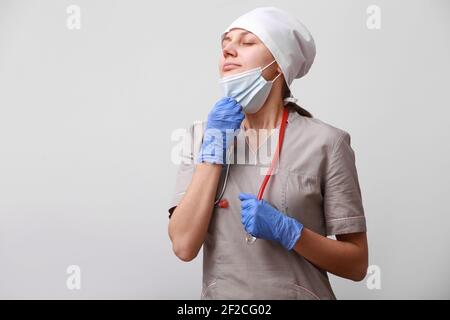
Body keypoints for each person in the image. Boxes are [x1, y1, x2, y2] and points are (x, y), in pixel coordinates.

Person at [167, 7, 368, 300]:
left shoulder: (327, 142)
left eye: (247, 43)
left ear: (279, 66)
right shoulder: (200, 137)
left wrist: (292, 233)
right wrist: (212, 154)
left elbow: (357, 264)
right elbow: (184, 247)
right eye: (225, 45)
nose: (229, 51)